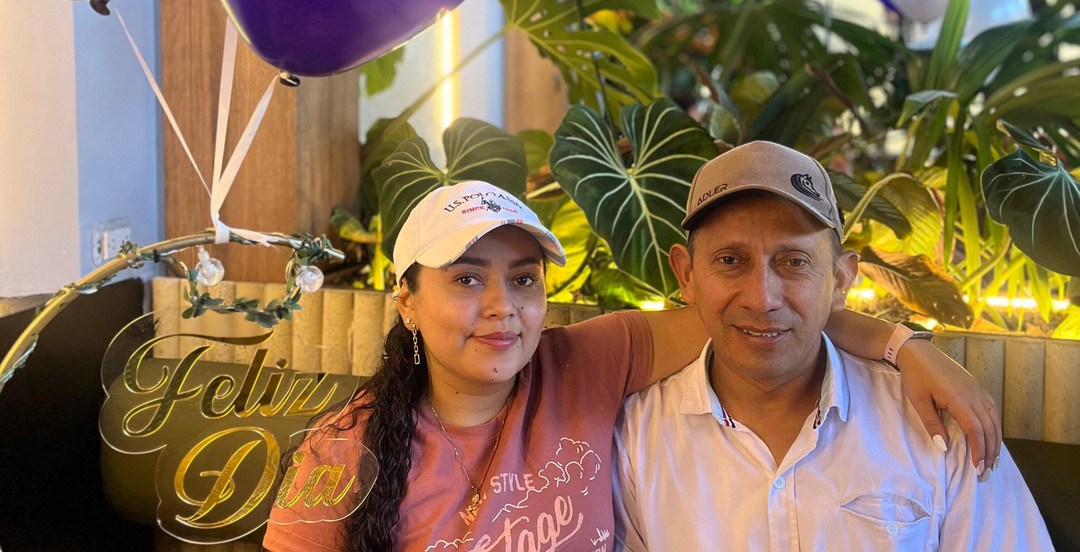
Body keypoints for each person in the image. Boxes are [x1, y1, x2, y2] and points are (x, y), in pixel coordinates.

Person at [263, 179, 1001, 552]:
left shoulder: (585, 362)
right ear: (406, 300)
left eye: (523, 279)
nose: (502, 308)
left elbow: (755, 316)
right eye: (465, 279)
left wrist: (905, 347)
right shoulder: (343, 451)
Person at [613, 141, 1052, 552]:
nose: (761, 299)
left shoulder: (939, 426)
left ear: (841, 280)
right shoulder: (635, 438)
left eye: (794, 262)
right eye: (730, 260)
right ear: (686, 275)